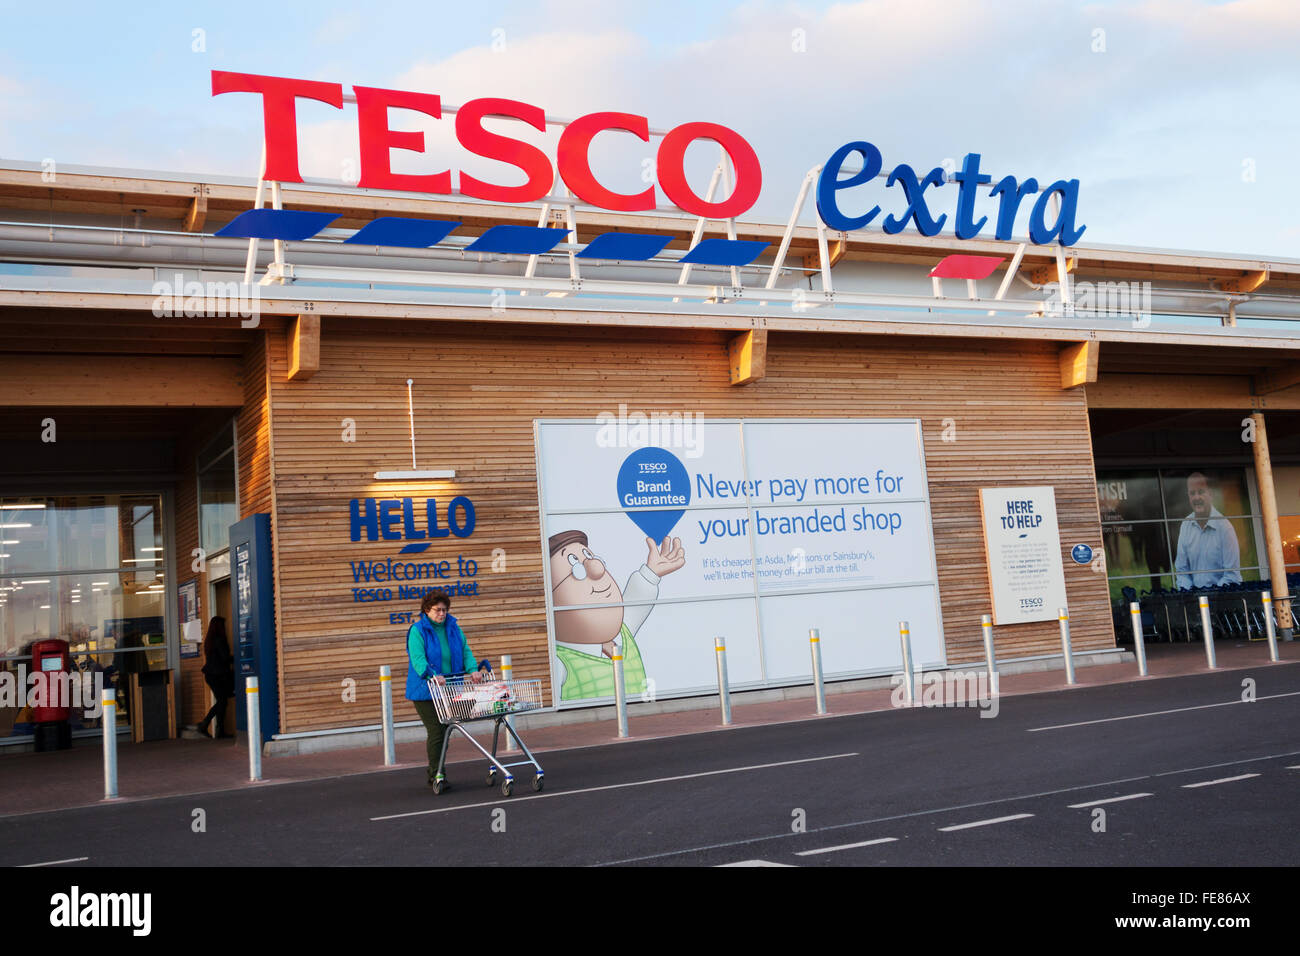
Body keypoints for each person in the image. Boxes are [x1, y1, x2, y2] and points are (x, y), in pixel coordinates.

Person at [549, 530, 685, 702]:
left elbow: (637, 598)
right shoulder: (561, 662)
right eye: (576, 567)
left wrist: (651, 573)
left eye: (589, 557)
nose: (596, 569)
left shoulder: (622, 635)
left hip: (637, 723)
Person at [405, 592, 487, 790]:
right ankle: (435, 775)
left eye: (444, 610)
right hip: (426, 690)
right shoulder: (418, 630)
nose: (442, 614)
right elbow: (418, 659)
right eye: (437, 610)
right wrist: (431, 674)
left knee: (446, 731)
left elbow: (465, 651)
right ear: (427, 610)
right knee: (436, 731)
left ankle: (438, 771)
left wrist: (473, 669)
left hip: (449, 689)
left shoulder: (453, 627)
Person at [1174, 472, 1242, 588]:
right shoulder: (1186, 525)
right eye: (1192, 493)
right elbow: (1182, 572)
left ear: (1210, 494)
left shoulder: (1225, 528)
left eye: (1201, 492)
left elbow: (1231, 576)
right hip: (1195, 599)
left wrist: (1211, 595)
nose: (1196, 497)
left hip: (1223, 598)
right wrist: (1190, 594)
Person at [198, 616, 235, 738]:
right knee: (222, 701)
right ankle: (206, 725)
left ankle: (218, 730)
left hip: (212, 675)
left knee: (222, 702)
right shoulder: (219, 640)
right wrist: (237, 658)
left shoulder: (210, 640)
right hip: (218, 675)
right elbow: (225, 657)